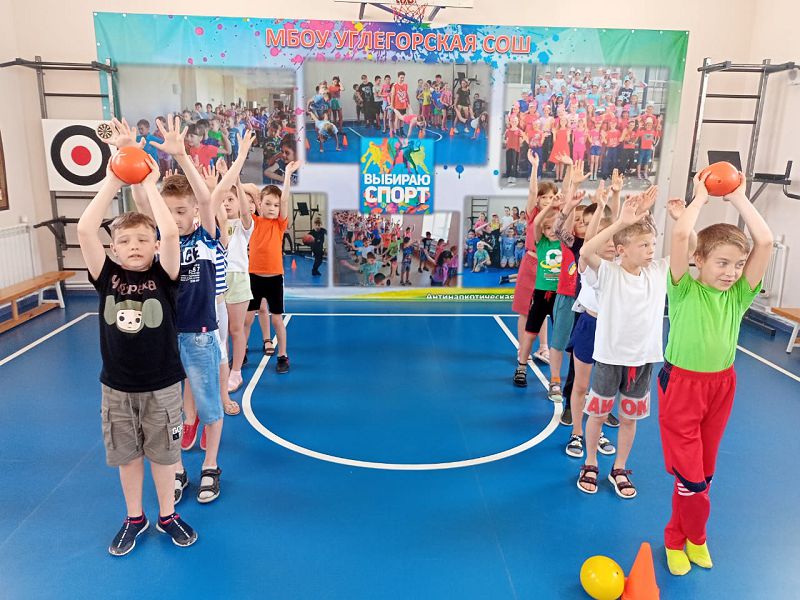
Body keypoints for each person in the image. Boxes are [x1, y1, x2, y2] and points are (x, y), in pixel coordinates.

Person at [78, 122, 197, 555]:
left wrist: (146, 179)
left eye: (142, 239)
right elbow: (85, 230)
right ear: (113, 248)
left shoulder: (165, 275)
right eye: (124, 240)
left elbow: (171, 232)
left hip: (162, 384)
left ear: (154, 245)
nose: (133, 245)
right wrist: (114, 176)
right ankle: (135, 517)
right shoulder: (105, 274)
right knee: (127, 456)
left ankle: (167, 514)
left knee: (164, 456)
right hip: (117, 386)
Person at [659, 172, 773, 576]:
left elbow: (765, 242)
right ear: (699, 260)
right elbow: (681, 236)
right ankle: (693, 537)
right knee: (692, 479)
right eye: (723, 263)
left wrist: (740, 197)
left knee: (703, 475)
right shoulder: (684, 289)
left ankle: (680, 536)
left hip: (721, 387)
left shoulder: (738, 296)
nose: (731, 272)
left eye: (738, 265)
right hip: (682, 386)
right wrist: (701, 198)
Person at [575, 187, 662, 499]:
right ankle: (590, 461)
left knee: (629, 418)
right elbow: (586, 252)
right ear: (622, 249)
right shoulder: (608, 273)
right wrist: (621, 222)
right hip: (609, 359)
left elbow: (685, 245)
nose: (651, 250)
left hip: (642, 361)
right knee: (598, 414)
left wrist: (647, 217)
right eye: (644, 245)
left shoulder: (658, 273)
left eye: (652, 244)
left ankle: (620, 467)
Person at [244, 160, 301, 374]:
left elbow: (284, 198)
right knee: (247, 319)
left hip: (274, 278)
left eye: (275, 205)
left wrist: (287, 175)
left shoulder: (279, 224)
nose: (272, 208)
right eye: (267, 204)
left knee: (277, 319)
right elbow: (246, 196)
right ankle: (242, 350)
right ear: (260, 204)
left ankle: (282, 355)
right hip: (254, 277)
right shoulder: (253, 222)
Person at [512, 188, 563, 388]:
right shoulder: (540, 243)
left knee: (559, 336)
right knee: (530, 332)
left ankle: (556, 377)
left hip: (560, 296)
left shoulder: (565, 244)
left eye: (556, 228)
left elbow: (566, 217)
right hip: (542, 295)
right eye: (548, 228)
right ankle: (522, 366)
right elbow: (538, 223)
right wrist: (549, 207)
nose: (552, 231)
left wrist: (569, 199)